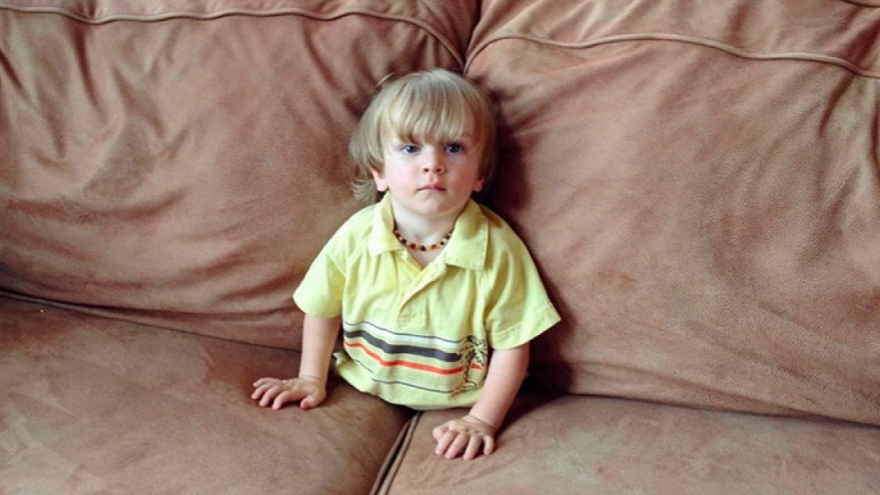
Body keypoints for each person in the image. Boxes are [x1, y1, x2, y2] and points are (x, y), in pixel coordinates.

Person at [251, 69, 560, 461]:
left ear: (480, 174)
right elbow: (322, 307)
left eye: (453, 147)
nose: (433, 164)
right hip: (362, 380)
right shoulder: (358, 235)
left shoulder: (498, 249)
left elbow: (514, 344)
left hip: (461, 399)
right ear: (379, 171)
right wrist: (311, 376)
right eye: (411, 148)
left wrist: (482, 420)